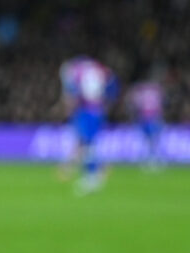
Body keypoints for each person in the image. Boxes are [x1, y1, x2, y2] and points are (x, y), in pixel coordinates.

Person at [59, 55, 117, 193]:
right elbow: (112, 85)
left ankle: (92, 176)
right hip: (98, 110)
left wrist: (71, 106)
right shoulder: (99, 69)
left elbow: (72, 93)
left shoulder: (75, 71)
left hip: (86, 110)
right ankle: (96, 170)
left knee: (87, 143)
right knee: (86, 143)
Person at [126, 78, 165, 170]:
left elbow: (134, 103)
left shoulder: (139, 90)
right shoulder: (156, 89)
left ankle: (151, 159)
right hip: (152, 117)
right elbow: (160, 104)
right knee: (151, 139)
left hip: (145, 116)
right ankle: (151, 159)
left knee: (149, 140)